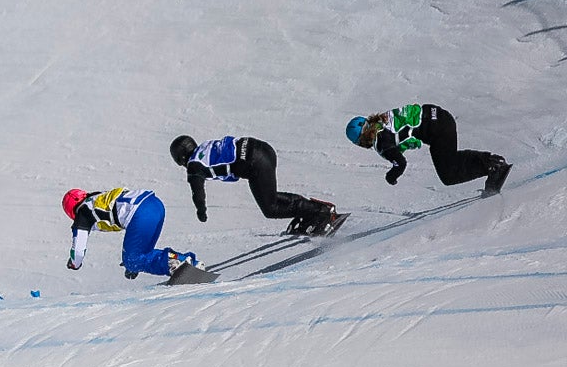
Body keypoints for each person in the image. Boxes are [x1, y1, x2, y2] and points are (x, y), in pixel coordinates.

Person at [170, 134, 339, 235]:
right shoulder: (205, 147)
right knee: (270, 197)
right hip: (263, 149)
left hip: (254, 163)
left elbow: (197, 193)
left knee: (270, 208)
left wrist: (201, 212)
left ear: (181, 158)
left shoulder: (194, 165)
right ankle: (311, 211)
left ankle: (320, 212)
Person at [345, 103, 511, 195]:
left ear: (361, 140)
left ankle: (493, 166)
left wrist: (391, 177)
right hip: (441, 116)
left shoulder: (381, 142)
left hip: (437, 129)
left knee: (448, 175)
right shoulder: (382, 120)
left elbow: (400, 163)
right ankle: (492, 162)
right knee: (449, 159)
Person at [62, 187, 202, 279]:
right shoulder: (97, 198)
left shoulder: (83, 213)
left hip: (140, 214)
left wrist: (74, 264)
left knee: (133, 259)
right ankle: (186, 262)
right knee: (138, 256)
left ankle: (180, 263)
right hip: (154, 204)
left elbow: (78, 251)